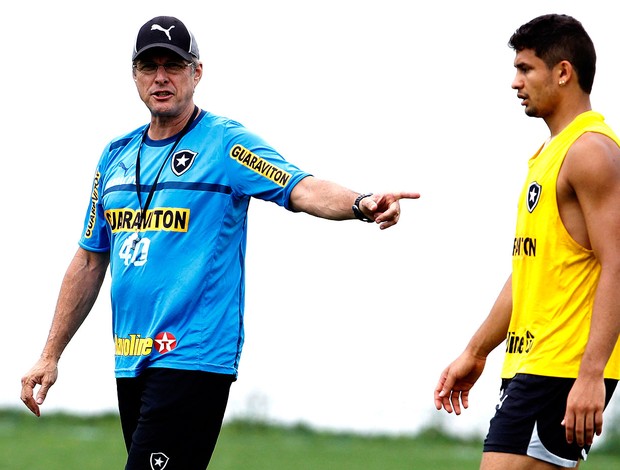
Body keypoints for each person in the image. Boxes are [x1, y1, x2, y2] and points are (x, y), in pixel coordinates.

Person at [20, 15, 419, 470]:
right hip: (131, 358)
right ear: (135, 76)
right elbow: (91, 259)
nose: (161, 77)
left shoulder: (226, 144)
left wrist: (361, 202)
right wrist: (49, 356)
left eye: (173, 65)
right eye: (149, 67)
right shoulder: (115, 155)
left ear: (197, 72)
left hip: (194, 355)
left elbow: (300, 187)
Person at [434, 13, 620, 470]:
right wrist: (476, 352)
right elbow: (529, 272)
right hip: (529, 365)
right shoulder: (547, 156)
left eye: (525, 69)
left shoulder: (591, 151)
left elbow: (619, 264)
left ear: (563, 72)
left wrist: (591, 374)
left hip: (562, 369)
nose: (515, 82)